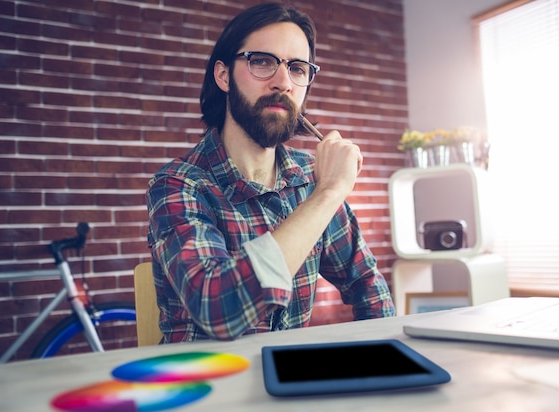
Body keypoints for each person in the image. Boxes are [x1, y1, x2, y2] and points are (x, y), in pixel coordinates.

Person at [147, 2, 394, 343]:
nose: (283, 83)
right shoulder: (179, 185)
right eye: (261, 61)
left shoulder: (309, 176)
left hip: (289, 387)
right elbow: (220, 311)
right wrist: (328, 193)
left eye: (297, 68)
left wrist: (383, 367)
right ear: (223, 75)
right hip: (208, 387)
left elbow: (368, 286)